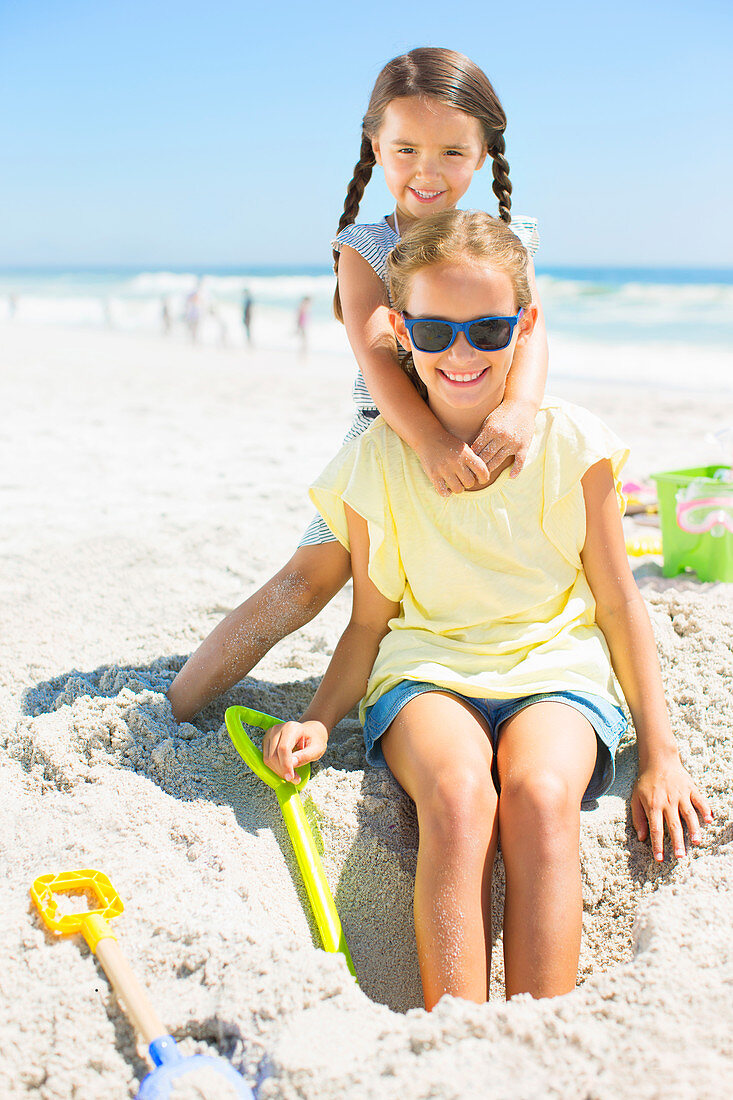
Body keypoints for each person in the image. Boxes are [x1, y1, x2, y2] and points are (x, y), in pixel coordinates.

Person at [260, 210, 713, 1009]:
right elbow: (370, 620)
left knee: (540, 795)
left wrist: (661, 754)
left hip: (554, 668)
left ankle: (538, 1029)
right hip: (429, 671)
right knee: (462, 796)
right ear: (399, 331)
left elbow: (616, 603)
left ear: (525, 323)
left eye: (487, 328)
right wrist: (322, 719)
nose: (460, 353)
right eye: (432, 332)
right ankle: (456, 1033)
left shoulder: (575, 446)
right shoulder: (375, 461)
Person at [167, 47, 548, 722]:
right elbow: (377, 350)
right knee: (306, 583)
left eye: (451, 153)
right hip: (387, 435)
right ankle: (178, 703)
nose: (426, 172)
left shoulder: (509, 239)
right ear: (374, 144)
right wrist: (426, 439)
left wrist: (519, 409)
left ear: (486, 151)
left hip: (484, 435)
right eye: (404, 149)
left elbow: (532, 332)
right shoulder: (365, 246)